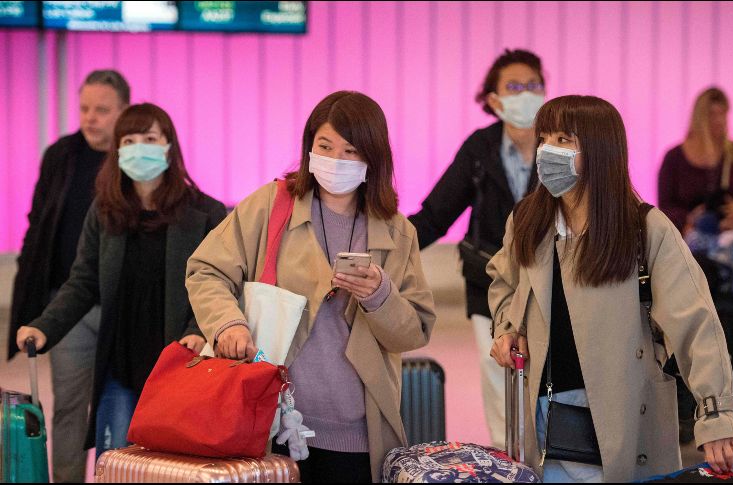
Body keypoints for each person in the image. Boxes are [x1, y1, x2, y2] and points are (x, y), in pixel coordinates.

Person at [489, 95, 733, 483]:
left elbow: (696, 322)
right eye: (544, 137)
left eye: (563, 139)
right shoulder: (528, 221)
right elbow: (504, 281)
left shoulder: (645, 229)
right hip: (544, 413)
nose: (547, 150)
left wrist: (717, 415)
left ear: (600, 150)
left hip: (624, 414)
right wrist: (506, 327)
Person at [186, 91, 436, 483]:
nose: (336, 160)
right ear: (309, 148)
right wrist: (226, 324)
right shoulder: (272, 206)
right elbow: (206, 270)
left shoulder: (397, 231)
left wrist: (379, 296)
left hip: (357, 431)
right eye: (325, 146)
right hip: (268, 420)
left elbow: (414, 330)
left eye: (351, 150)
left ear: (373, 158)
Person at [15, 103, 227, 460]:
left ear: (168, 145)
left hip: (178, 360)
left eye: (149, 138)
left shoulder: (206, 212)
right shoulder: (104, 211)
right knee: (116, 462)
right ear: (117, 151)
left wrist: (199, 330)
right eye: (129, 140)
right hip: (120, 361)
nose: (139, 147)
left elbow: (218, 285)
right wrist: (44, 326)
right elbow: (82, 282)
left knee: (171, 463)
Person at [408, 49, 543, 448]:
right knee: (500, 379)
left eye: (533, 85)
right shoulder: (480, 149)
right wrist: (384, 246)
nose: (526, 94)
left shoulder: (559, 146)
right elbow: (435, 215)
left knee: (546, 382)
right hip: (488, 284)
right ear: (494, 99)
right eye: (514, 87)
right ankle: (510, 463)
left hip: (549, 287)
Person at [8, 69, 129, 483]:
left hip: (122, 308)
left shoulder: (133, 158)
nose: (90, 118)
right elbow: (38, 225)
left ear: (123, 111)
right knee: (69, 410)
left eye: (101, 110)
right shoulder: (61, 155)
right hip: (69, 303)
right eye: (84, 108)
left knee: (124, 406)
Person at [658, 87, 733, 245]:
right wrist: (690, 218)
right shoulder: (674, 158)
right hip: (690, 240)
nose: (719, 120)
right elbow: (665, 207)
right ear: (699, 118)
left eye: (722, 113)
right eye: (712, 114)